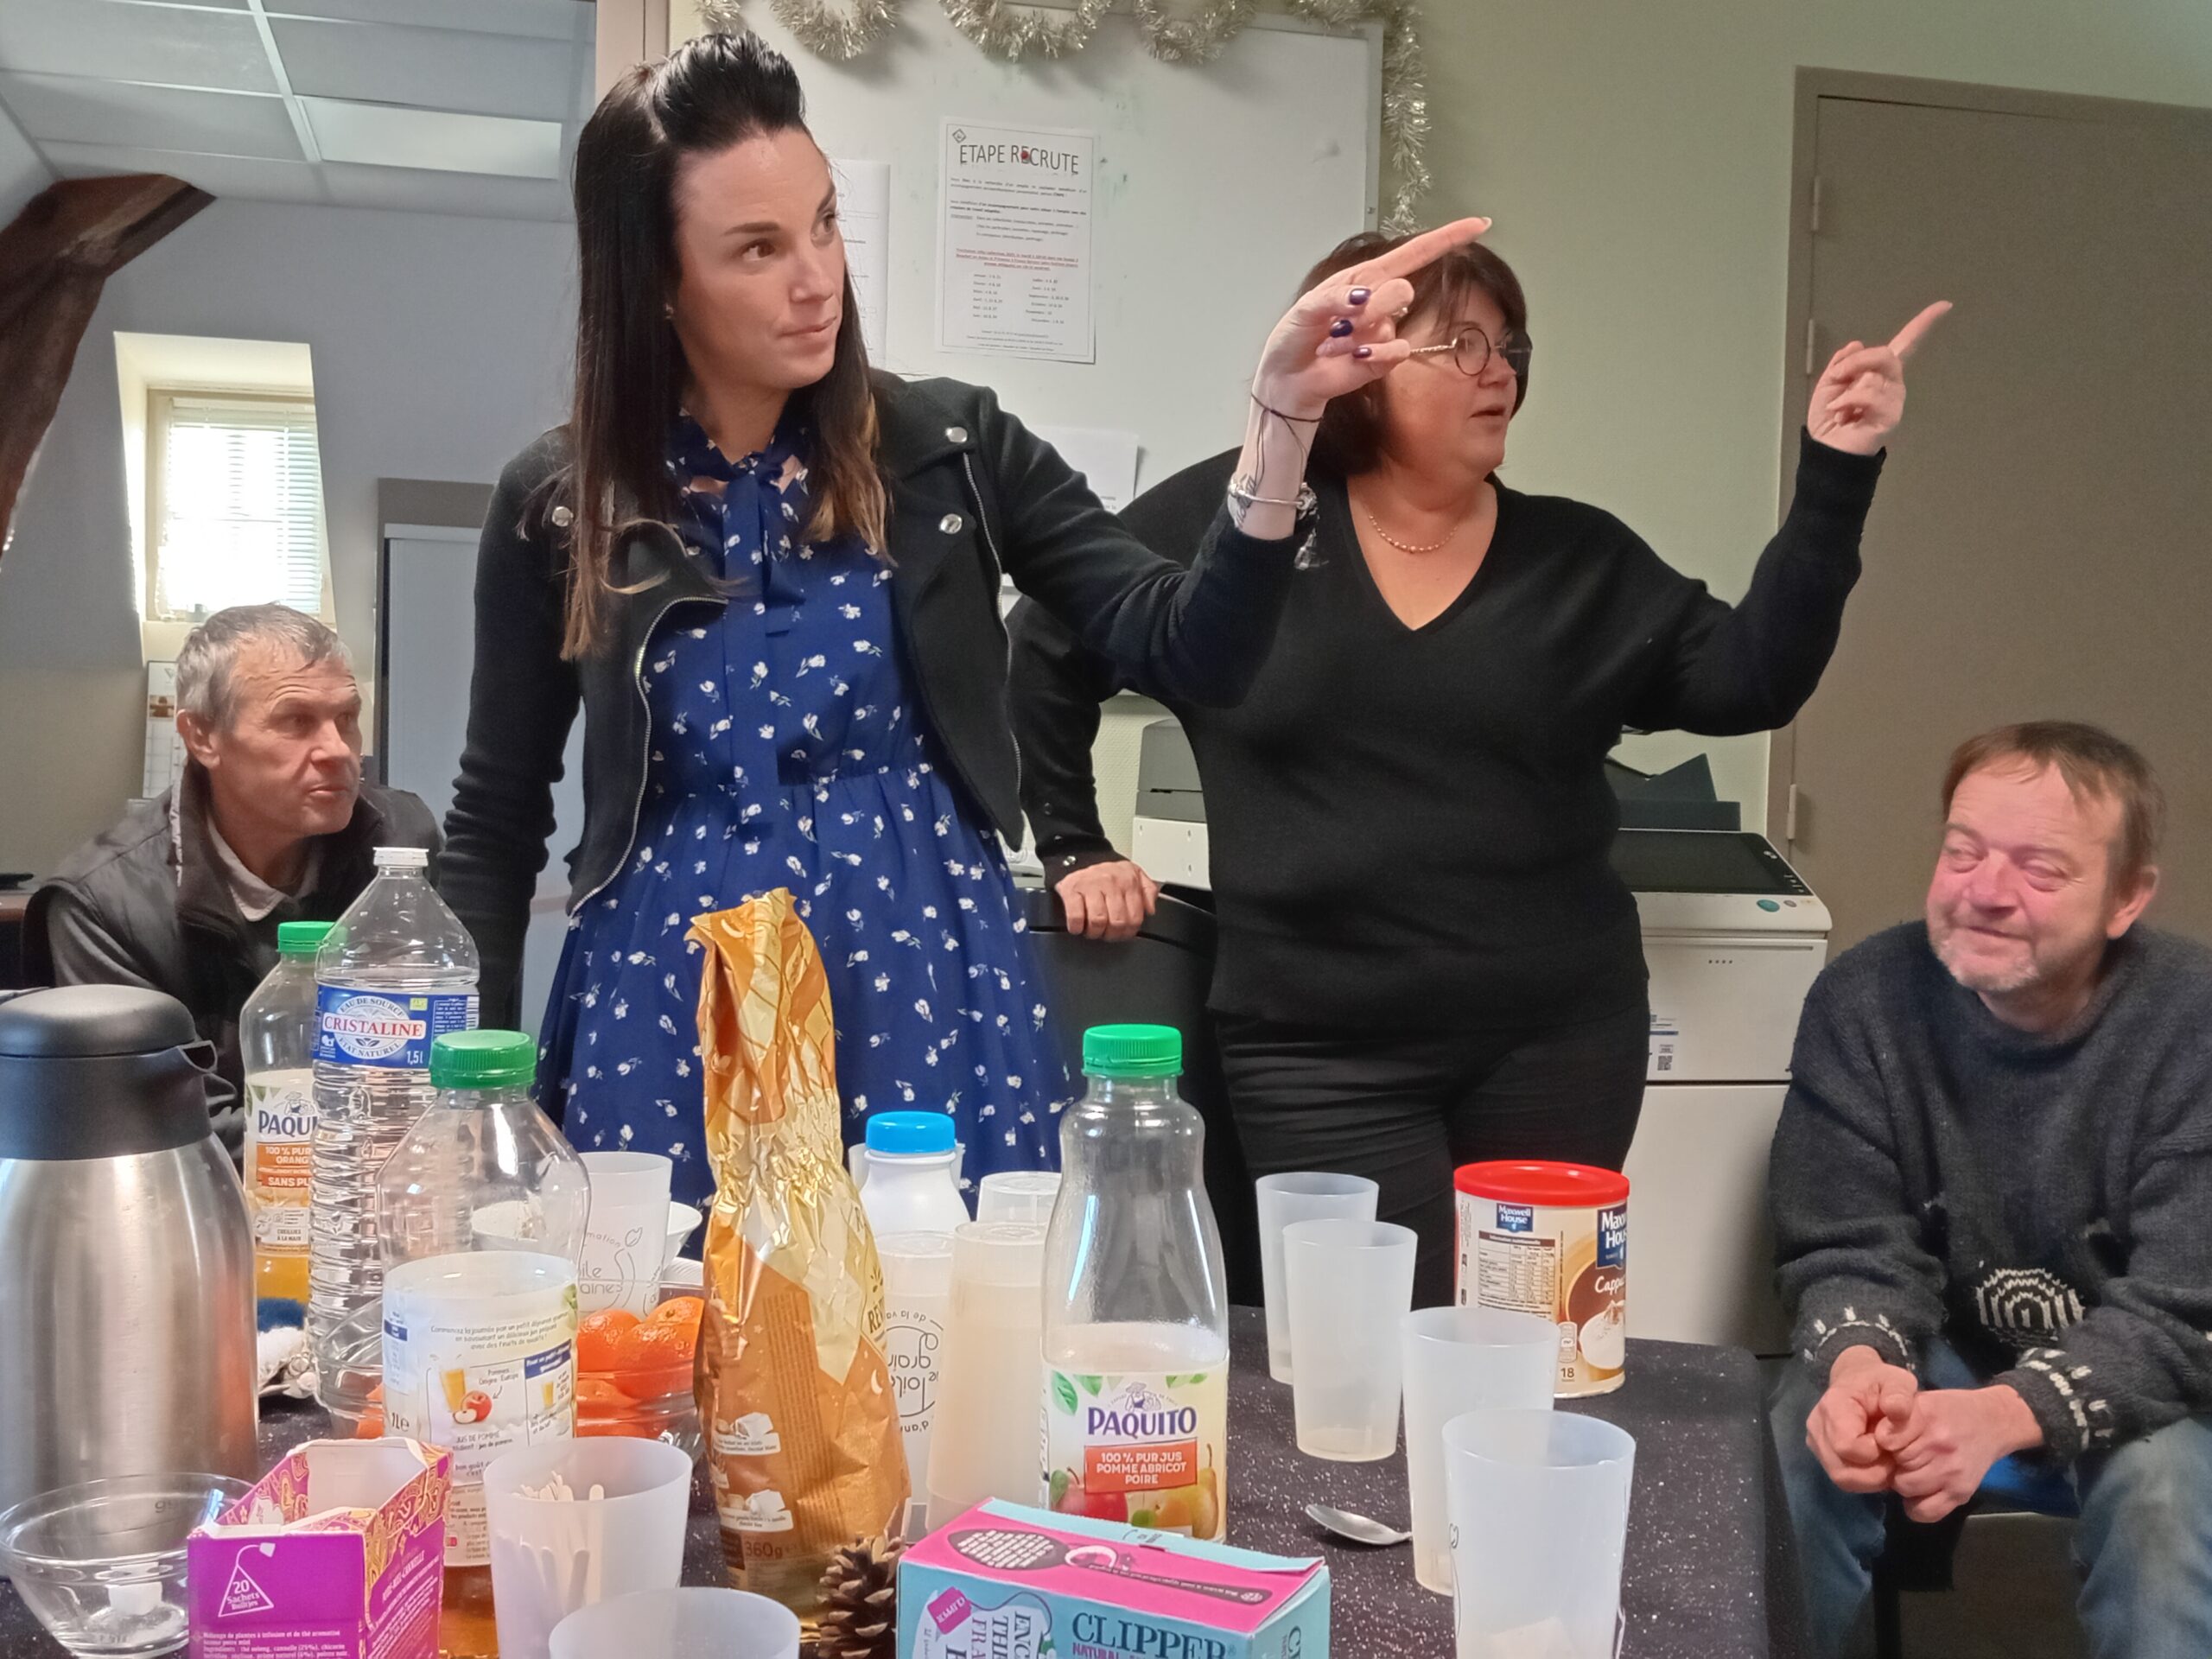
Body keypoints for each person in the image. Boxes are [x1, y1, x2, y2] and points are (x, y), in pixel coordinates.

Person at [437, 32, 1486, 1205]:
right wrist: (466, 1110)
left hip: (921, 987)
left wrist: (1282, 421)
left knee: (938, 1304)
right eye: (759, 248)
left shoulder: (949, 448)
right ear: (659, 280)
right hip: (666, 1005)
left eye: (825, 224)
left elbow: (1190, 646)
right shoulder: (561, 501)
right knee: (673, 1315)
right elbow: (494, 823)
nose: (817, 279)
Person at [1008, 229, 1947, 1299]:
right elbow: (1050, 641)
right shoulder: (1241, 522)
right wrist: (1074, 841)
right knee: (1367, 1351)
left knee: (1533, 1347)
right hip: (1317, 1051)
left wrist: (1835, 474)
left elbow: (1749, 681)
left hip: (1555, 1042)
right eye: (1460, 344)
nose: (1498, 372)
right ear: (1363, 365)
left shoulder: (1578, 560)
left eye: (1509, 347)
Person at [1769, 721, 2212, 1657]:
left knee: (2160, 1494)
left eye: (2040, 870)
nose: (1985, 892)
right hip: (1943, 1347)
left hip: (2164, 1382)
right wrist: (1861, 1367)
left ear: (2127, 898)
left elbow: (2185, 1311)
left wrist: (2007, 1413)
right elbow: (1845, 1242)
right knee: (1807, 1430)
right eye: (1962, 852)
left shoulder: (2193, 1026)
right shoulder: (1864, 1000)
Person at [30, 605, 439, 1145]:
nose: (339, 751)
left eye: (347, 718)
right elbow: (175, 1127)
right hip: (208, 1190)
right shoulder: (104, 905)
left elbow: (439, 1060)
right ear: (202, 737)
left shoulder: (400, 845)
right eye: (296, 721)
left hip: (395, 1177)